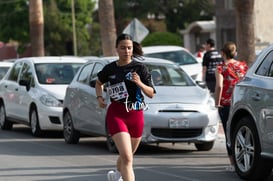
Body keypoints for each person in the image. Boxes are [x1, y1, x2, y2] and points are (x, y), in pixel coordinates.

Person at [95, 33, 155, 181]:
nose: (126, 51)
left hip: (135, 113)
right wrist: (100, 97)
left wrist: (139, 83)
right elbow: (98, 83)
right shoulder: (110, 69)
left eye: (129, 48)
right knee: (128, 158)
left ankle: (116, 175)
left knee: (127, 156)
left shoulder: (140, 68)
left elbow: (151, 93)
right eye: (123, 48)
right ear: (117, 49)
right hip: (117, 113)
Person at [214, 41, 248, 171]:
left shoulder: (221, 68)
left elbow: (219, 86)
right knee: (242, 133)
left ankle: (233, 164)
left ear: (222, 53)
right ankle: (245, 161)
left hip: (226, 104)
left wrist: (217, 102)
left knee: (230, 134)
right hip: (241, 103)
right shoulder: (243, 66)